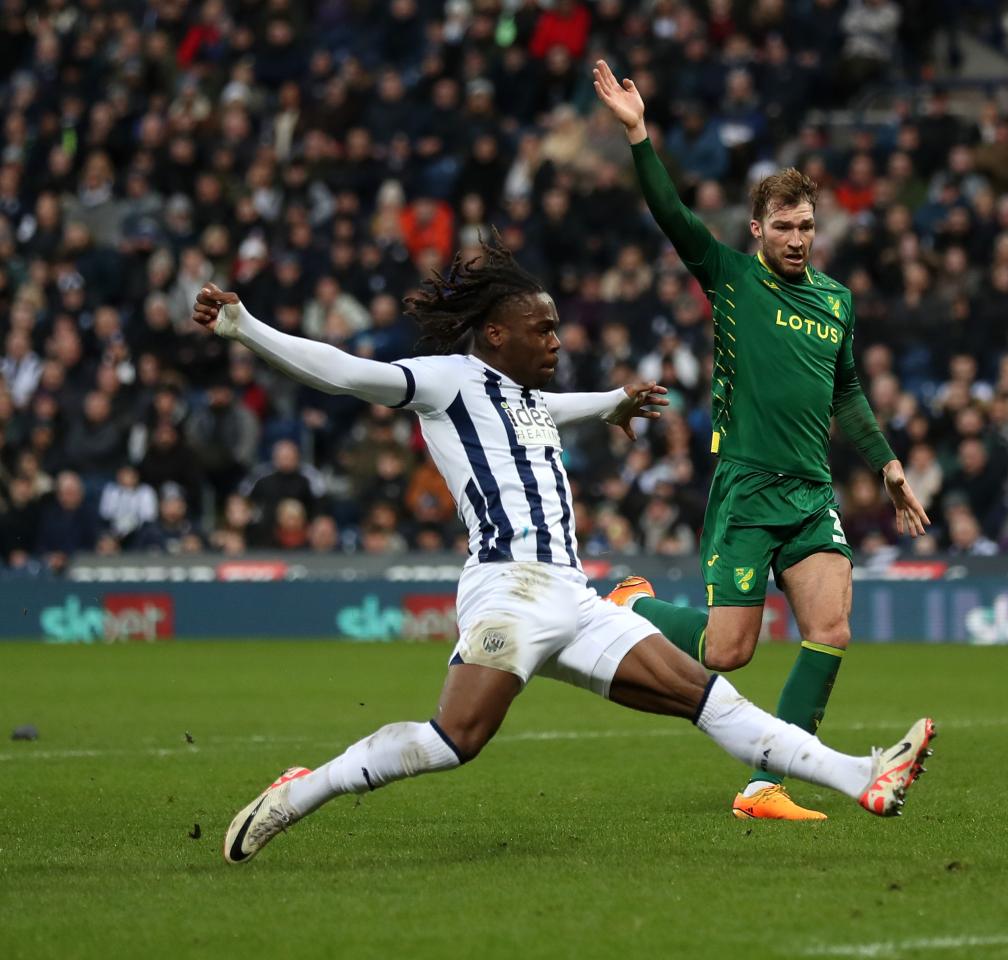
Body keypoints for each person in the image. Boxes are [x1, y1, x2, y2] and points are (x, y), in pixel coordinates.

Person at [190, 240, 936, 864]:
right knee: (455, 741)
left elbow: (559, 409)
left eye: (555, 329)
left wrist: (612, 403)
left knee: (710, 698)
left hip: (575, 599)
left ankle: (863, 777)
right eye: (541, 330)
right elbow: (348, 372)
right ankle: (302, 789)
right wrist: (247, 326)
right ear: (493, 334)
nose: (555, 341)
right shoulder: (448, 383)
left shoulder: (526, 399)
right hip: (507, 591)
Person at [594, 61, 931, 821]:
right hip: (747, 487)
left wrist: (887, 464)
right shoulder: (733, 280)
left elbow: (846, 390)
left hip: (810, 491)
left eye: (807, 225)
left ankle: (762, 787)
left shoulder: (837, 301)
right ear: (757, 230)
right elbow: (674, 217)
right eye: (782, 226)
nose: (797, 238)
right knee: (725, 652)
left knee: (831, 628)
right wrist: (639, 135)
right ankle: (633, 605)